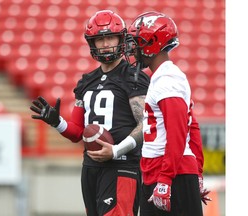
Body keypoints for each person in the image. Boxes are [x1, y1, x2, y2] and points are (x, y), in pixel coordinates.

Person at [30, 10, 150, 216]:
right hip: (91, 167)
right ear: (91, 43)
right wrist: (57, 122)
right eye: (99, 39)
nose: (105, 44)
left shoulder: (133, 77)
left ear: (121, 38)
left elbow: (146, 124)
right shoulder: (86, 81)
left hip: (122, 165)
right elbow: (77, 132)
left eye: (110, 37)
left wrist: (117, 150)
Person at [127, 11, 211, 216]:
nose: (133, 48)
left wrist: (165, 179)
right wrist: (197, 172)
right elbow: (193, 127)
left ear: (152, 43)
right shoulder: (164, 77)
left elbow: (179, 132)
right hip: (167, 170)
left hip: (170, 172)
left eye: (137, 42)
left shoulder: (167, 80)